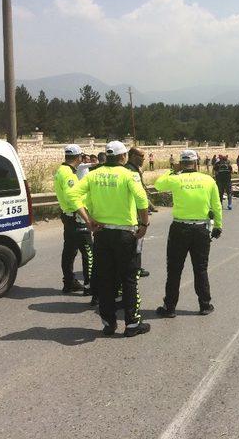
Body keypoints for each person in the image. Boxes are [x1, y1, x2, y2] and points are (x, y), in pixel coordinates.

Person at [68, 141, 151, 337]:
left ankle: (108, 323)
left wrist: (88, 220)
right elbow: (142, 200)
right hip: (125, 234)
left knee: (106, 279)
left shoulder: (93, 174)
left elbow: (72, 196)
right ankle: (132, 325)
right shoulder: (129, 175)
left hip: (102, 234)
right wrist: (144, 225)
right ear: (123, 157)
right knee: (129, 279)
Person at [154, 150, 222, 318]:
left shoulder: (175, 179)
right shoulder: (208, 180)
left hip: (179, 228)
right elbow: (216, 205)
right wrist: (218, 225)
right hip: (201, 229)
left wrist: (173, 170)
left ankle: (170, 307)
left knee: (174, 269)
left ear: (181, 163)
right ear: (196, 163)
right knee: (200, 268)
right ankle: (205, 305)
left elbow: (158, 184)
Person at [53, 144, 94, 298]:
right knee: (89, 253)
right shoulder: (69, 174)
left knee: (69, 251)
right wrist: (87, 218)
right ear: (78, 157)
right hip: (76, 218)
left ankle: (69, 282)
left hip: (67, 216)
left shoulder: (61, 170)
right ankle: (89, 286)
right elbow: (73, 197)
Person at [125, 147, 152, 278]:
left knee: (138, 242)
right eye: (141, 156)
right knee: (136, 241)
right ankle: (135, 268)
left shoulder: (133, 169)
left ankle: (136, 266)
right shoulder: (129, 170)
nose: (143, 159)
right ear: (132, 156)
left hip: (135, 211)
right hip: (134, 213)